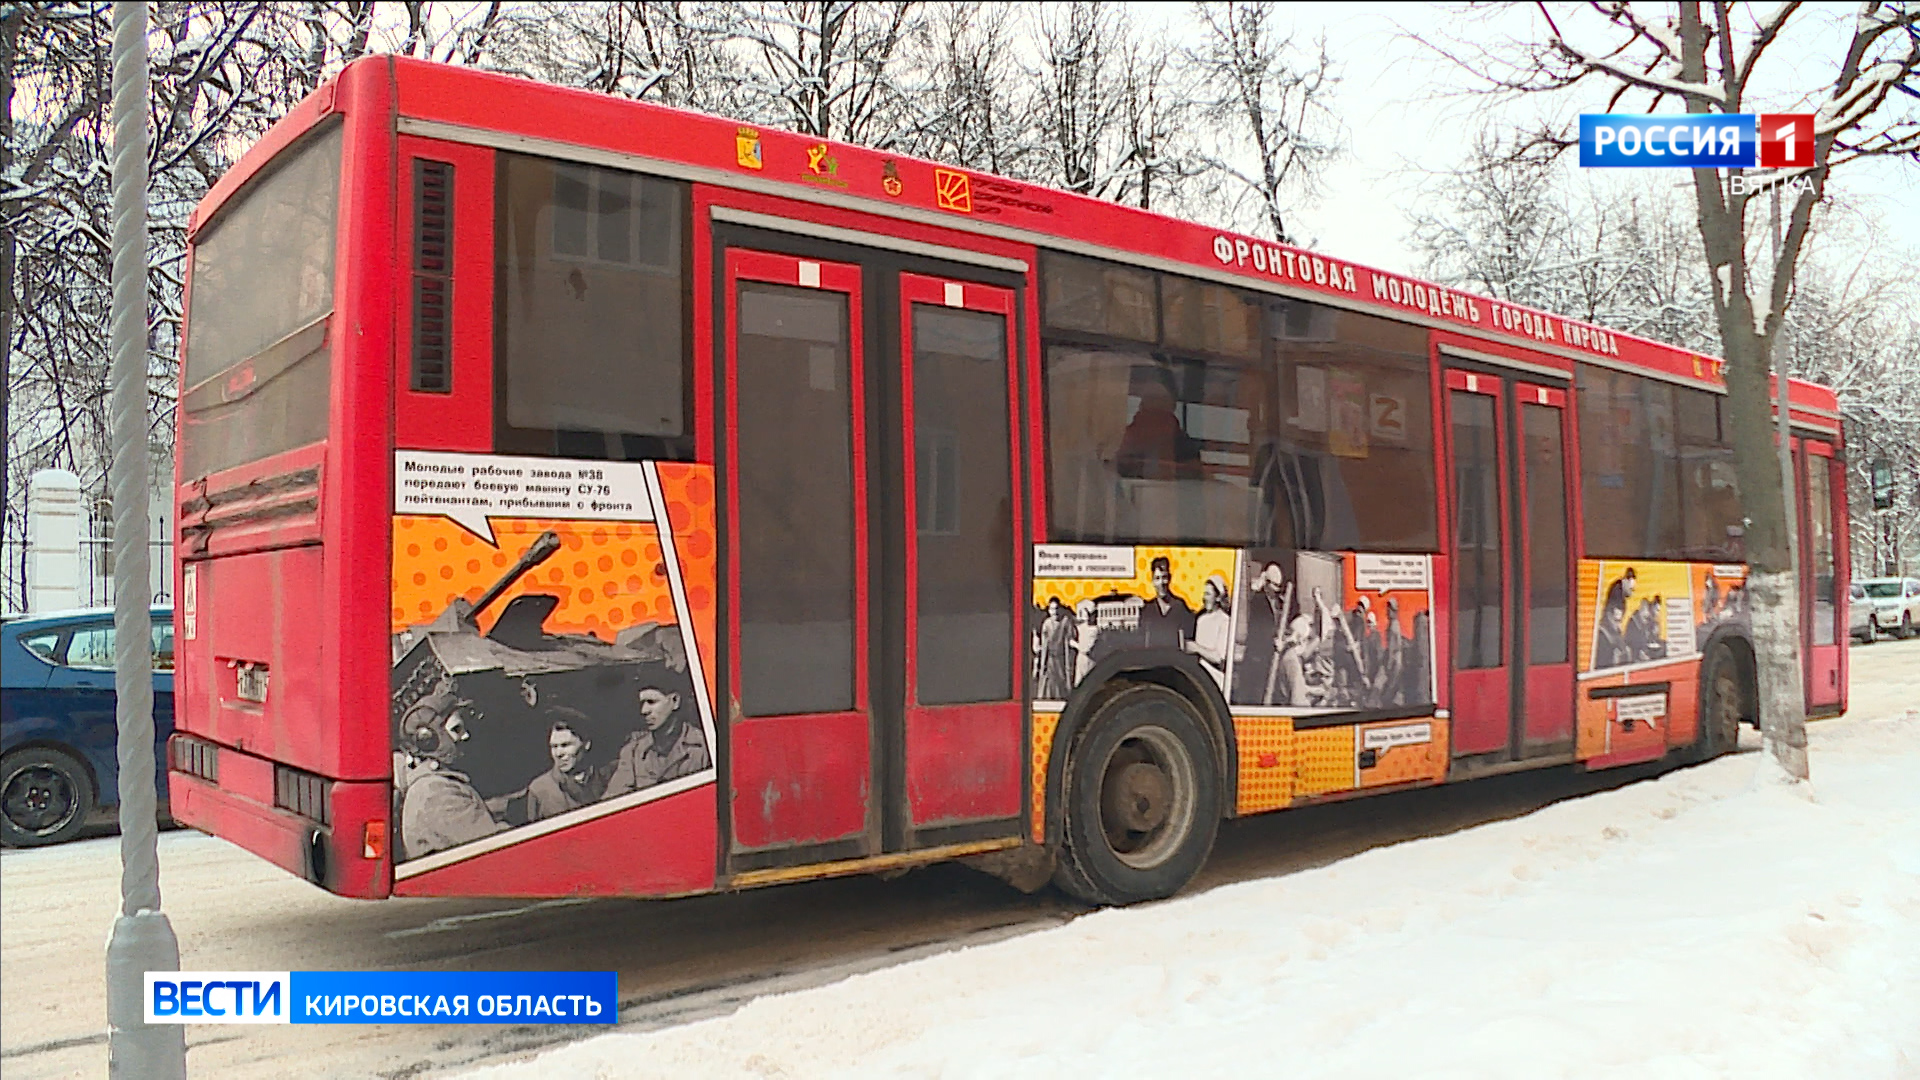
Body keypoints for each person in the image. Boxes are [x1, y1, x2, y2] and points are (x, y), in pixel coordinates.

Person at [394, 690, 506, 860]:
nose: (465, 735)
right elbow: (491, 846)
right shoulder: (435, 792)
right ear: (430, 740)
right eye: (456, 729)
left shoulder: (434, 785)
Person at [604, 677, 712, 796]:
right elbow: (614, 797)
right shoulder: (633, 753)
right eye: (642, 703)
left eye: (652, 702)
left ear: (675, 701)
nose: (644, 710)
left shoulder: (705, 745)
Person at [524, 708, 607, 821]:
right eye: (554, 746)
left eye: (565, 745)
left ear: (586, 744)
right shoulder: (540, 789)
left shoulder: (607, 776)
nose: (558, 754)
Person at [1115, 376, 1202, 481]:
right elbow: (1117, 464)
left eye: (1156, 399)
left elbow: (1196, 478)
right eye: (1148, 399)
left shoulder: (1185, 448)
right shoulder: (1133, 434)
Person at [1234, 561, 1291, 706]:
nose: (1278, 590)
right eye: (1275, 585)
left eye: (1279, 586)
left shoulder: (1275, 602)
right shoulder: (1258, 601)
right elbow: (1259, 630)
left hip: (1266, 656)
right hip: (1256, 657)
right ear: (1266, 582)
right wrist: (1273, 641)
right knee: (1255, 693)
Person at [1137, 555, 1197, 650]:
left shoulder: (1180, 606)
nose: (1161, 583)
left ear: (1169, 579)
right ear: (1152, 581)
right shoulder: (1147, 610)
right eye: (1157, 578)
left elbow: (1188, 641)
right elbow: (1143, 642)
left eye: (1164, 577)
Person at [1185, 574, 1232, 684]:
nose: (1204, 598)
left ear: (1218, 597)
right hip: (1199, 677)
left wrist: (1196, 648)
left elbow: (1219, 658)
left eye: (1208, 594)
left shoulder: (1225, 621)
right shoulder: (1201, 619)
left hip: (1216, 679)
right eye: (1204, 594)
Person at [1034, 596, 1077, 700]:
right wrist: (1042, 663)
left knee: (1062, 678)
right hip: (1050, 658)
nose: (1055, 612)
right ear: (1049, 610)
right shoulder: (1047, 624)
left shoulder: (1065, 622)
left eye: (1056, 609)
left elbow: (1070, 639)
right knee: (1049, 680)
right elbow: (1045, 645)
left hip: (1062, 658)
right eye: (1052, 609)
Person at [1595, 567, 1638, 669]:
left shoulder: (1619, 592)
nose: (1632, 592)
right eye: (1631, 589)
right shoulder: (1617, 591)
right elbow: (1614, 618)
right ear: (1627, 581)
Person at [1072, 599, 1103, 684]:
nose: (1090, 617)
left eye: (1092, 614)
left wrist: (1074, 644)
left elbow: (1086, 649)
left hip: (1089, 661)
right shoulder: (1082, 626)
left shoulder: (1095, 630)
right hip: (1081, 660)